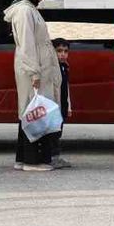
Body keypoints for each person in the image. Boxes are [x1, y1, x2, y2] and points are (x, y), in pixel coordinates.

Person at [5, 0, 64, 172]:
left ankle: (23, 158)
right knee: (35, 113)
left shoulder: (29, 9)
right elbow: (27, 44)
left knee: (32, 111)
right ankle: (33, 160)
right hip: (33, 70)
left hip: (38, 68)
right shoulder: (24, 11)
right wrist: (34, 73)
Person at [51, 38, 73, 169]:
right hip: (55, 106)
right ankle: (52, 156)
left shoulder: (65, 67)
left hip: (62, 105)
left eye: (65, 51)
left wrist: (69, 106)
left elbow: (66, 89)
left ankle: (55, 156)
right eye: (59, 51)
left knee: (58, 131)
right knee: (53, 133)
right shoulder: (52, 69)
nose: (63, 54)